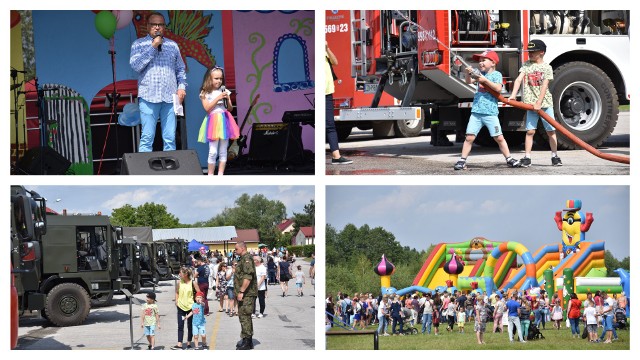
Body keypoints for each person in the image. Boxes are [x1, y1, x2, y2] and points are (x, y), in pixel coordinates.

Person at [454, 50, 521, 170]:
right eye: (479, 61)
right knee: (469, 137)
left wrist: (484, 81)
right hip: (476, 113)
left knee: (499, 137)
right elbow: (468, 82)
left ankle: (509, 159)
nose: (480, 63)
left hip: (490, 113)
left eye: (483, 60)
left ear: (493, 63)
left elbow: (498, 88)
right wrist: (468, 73)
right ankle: (462, 160)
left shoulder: (496, 75)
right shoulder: (480, 74)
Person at [129, 12, 187, 153]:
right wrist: (153, 47)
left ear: (164, 27)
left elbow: (180, 68)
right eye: (154, 24)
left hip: (169, 97)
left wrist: (181, 87)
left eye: (160, 24)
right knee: (147, 137)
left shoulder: (172, 45)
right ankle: (144, 173)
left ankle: (170, 173)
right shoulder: (139, 44)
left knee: (170, 138)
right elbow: (136, 66)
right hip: (148, 96)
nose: (157, 27)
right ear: (147, 26)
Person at [508, 39, 562, 167]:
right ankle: (527, 157)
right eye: (529, 51)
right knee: (530, 131)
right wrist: (513, 96)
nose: (530, 54)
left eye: (533, 52)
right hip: (530, 105)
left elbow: (544, 86)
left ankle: (555, 156)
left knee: (551, 131)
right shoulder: (526, 65)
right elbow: (518, 80)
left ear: (542, 52)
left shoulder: (547, 67)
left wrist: (539, 102)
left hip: (545, 104)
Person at [198, 66, 239, 175]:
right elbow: (207, 108)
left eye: (221, 78)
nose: (219, 81)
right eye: (216, 78)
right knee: (213, 151)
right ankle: (210, 175)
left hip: (225, 120)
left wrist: (227, 99)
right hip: (213, 122)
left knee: (223, 151)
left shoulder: (225, 91)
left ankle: (220, 174)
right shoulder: (205, 92)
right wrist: (218, 98)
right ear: (209, 78)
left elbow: (230, 109)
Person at [325, 41, 352, 165]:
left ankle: (336, 156)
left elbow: (335, 62)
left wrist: (327, 48)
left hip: (328, 92)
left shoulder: (324, 51)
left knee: (330, 125)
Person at [233, 241, 258, 350]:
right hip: (244, 293)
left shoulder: (247, 259)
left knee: (245, 316)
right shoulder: (242, 259)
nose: (235, 251)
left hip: (247, 294)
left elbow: (248, 277)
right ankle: (245, 338)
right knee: (243, 316)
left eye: (236, 249)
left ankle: (248, 341)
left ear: (242, 248)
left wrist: (242, 291)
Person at [171, 266, 194, 350]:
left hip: (190, 307)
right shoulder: (179, 283)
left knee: (190, 325)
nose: (179, 274)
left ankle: (188, 342)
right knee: (180, 325)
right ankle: (179, 344)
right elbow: (177, 292)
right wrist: (176, 301)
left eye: (180, 273)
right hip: (181, 307)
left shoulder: (193, 283)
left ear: (186, 274)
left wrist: (197, 304)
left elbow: (199, 293)